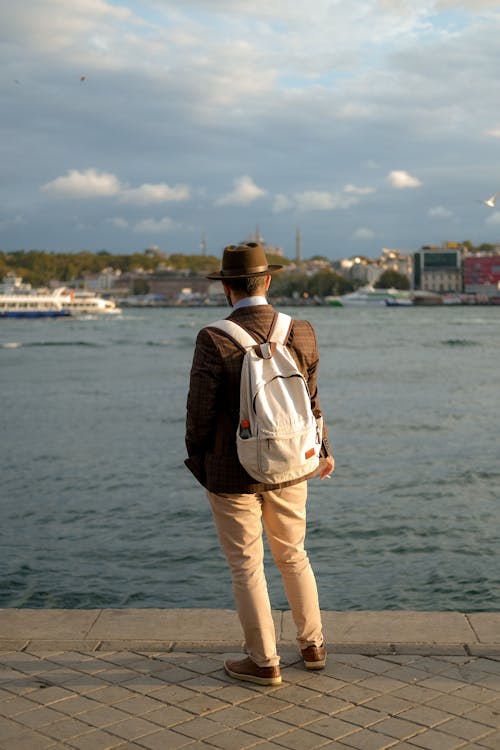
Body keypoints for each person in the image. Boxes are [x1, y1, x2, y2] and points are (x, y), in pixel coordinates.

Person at [185, 242, 335, 686]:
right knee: (294, 555)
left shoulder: (214, 338)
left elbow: (200, 413)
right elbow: (311, 402)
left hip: (233, 471)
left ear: (226, 287)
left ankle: (264, 661)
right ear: (268, 281)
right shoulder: (301, 330)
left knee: (247, 566)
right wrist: (323, 450)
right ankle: (313, 647)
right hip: (293, 463)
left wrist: (200, 462)